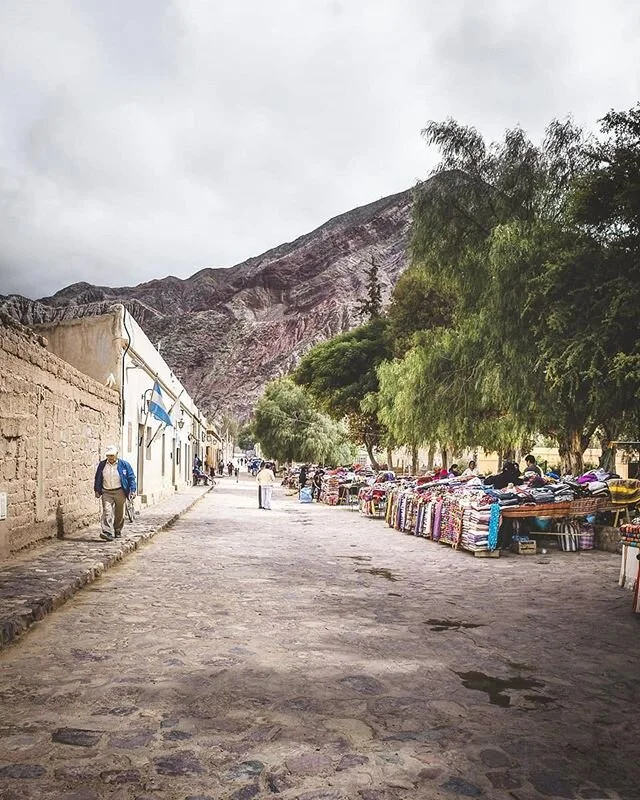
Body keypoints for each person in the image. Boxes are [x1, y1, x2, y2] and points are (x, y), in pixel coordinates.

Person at [94, 445, 136, 541]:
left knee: (119, 513)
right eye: (108, 456)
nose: (110, 458)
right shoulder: (102, 465)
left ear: (117, 454)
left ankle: (117, 530)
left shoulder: (124, 465)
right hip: (106, 491)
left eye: (112, 455)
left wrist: (132, 490)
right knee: (107, 511)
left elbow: (131, 477)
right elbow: (98, 478)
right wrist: (97, 490)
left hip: (120, 491)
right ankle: (107, 532)